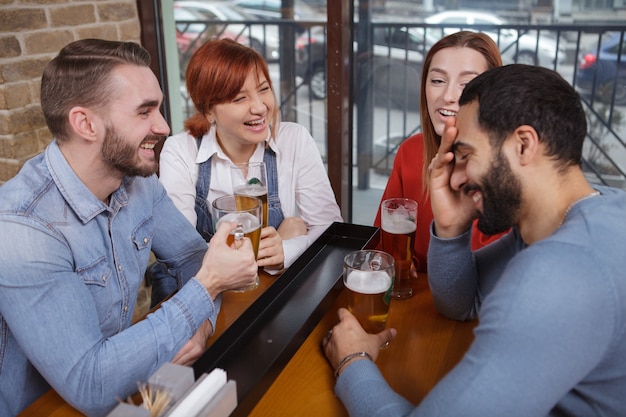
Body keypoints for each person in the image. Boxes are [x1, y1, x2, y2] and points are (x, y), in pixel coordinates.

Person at [323, 64, 626, 416]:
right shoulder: (597, 208)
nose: (455, 178)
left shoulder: (560, 273)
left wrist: (351, 361)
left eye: (465, 156)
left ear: (523, 145)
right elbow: (460, 304)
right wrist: (451, 228)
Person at [0, 39, 259, 417]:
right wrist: (207, 287)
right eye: (144, 112)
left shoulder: (138, 182)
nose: (164, 126)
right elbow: (90, 383)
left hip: (128, 387)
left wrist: (201, 323)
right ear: (85, 123)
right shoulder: (25, 229)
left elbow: (192, 258)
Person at [155, 38, 342, 301]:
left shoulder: (293, 140)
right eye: (240, 98)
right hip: (203, 298)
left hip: (269, 298)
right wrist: (277, 236)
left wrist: (286, 249)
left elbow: (331, 228)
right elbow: (183, 254)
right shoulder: (181, 151)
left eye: (264, 89)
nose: (259, 106)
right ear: (208, 110)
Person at [373, 31, 505, 273]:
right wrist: (398, 262)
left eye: (467, 84)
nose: (448, 96)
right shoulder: (411, 151)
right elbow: (382, 243)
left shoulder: (509, 167)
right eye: (437, 81)